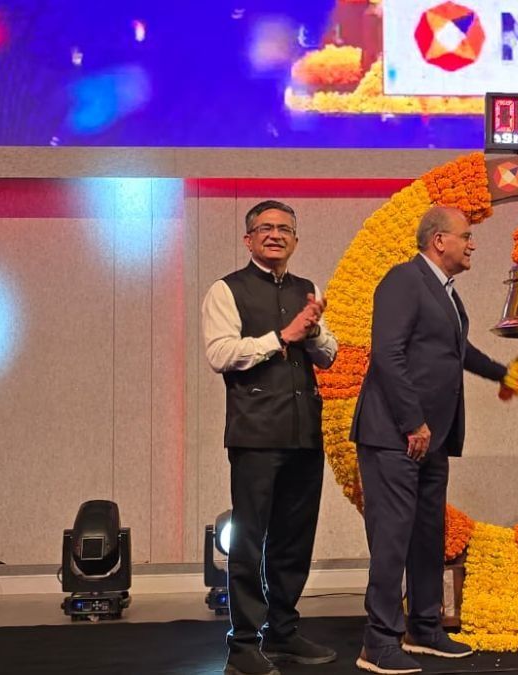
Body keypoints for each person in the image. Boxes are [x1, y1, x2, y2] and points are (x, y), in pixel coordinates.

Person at [351, 206, 518, 675]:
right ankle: (377, 643)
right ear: (438, 240)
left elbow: (456, 350)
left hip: (432, 439)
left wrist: (506, 373)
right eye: (466, 236)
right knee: (393, 538)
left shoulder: (445, 293)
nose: (473, 244)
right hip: (396, 435)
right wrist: (412, 422)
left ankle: (423, 627)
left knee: (428, 534)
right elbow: (386, 353)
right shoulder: (404, 279)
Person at [202, 200, 339, 675]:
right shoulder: (226, 289)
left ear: (296, 240)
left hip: (305, 432)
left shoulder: (307, 289)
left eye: (285, 229)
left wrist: (314, 330)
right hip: (256, 434)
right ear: (248, 239)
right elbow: (220, 354)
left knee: (294, 541)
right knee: (250, 541)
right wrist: (282, 335)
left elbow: (329, 355)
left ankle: (283, 632)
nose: (275, 235)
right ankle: (242, 646)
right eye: (265, 228)